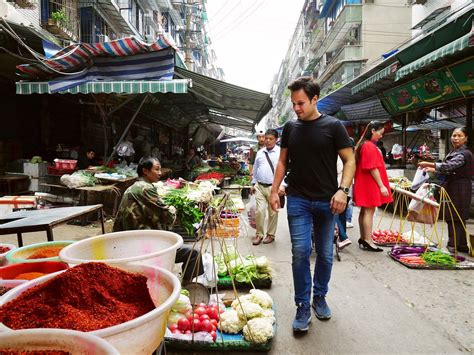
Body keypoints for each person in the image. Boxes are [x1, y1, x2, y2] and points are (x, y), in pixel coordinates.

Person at [269, 77, 355, 333]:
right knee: (301, 252)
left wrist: (343, 191)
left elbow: (350, 161)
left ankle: (319, 296)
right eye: (293, 103)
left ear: (315, 99)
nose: (296, 108)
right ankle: (302, 305)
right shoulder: (290, 128)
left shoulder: (334, 126)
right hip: (298, 199)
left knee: (326, 254)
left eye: (301, 103)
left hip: (328, 201)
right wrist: (275, 191)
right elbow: (283, 162)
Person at [113, 157, 204, 282]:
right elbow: (168, 216)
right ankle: (187, 287)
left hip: (132, 241)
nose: (160, 173)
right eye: (157, 169)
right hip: (144, 245)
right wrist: (172, 208)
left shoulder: (135, 187)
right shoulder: (144, 188)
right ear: (145, 171)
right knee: (194, 254)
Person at [418, 127, 473, 253]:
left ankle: (453, 245)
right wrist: (434, 170)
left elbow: (450, 166)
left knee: (455, 216)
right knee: (457, 216)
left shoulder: (463, 153)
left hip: (460, 188)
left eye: (459, 136)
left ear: (466, 138)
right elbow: (449, 169)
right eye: (454, 135)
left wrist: (430, 164)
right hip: (454, 186)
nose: (456, 138)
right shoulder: (455, 151)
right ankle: (461, 245)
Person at [353, 121, 393, 252]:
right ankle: (368, 240)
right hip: (369, 183)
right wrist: (381, 186)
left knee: (365, 211)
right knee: (369, 211)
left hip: (364, 182)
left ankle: (364, 237)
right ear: (373, 131)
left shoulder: (362, 145)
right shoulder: (369, 146)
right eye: (380, 133)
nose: (381, 136)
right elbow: (372, 168)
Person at [251, 129, 286, 245]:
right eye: (266, 138)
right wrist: (253, 183)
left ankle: (270, 234)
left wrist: (282, 185)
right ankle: (259, 234)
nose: (267, 141)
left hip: (274, 188)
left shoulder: (281, 152)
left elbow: (285, 170)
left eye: (270, 139)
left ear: (276, 140)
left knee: (272, 212)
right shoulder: (260, 152)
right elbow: (255, 169)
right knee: (259, 211)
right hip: (260, 186)